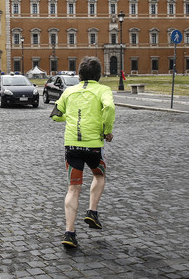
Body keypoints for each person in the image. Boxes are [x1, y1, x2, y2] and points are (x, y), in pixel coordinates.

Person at [51, 56, 115, 249]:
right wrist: (106, 129)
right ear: (99, 75)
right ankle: (92, 211)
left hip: (72, 146)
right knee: (99, 174)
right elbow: (109, 107)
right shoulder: (103, 90)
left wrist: (70, 119)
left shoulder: (69, 91)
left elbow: (55, 115)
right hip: (94, 145)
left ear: (79, 75)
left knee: (73, 188)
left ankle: (69, 233)